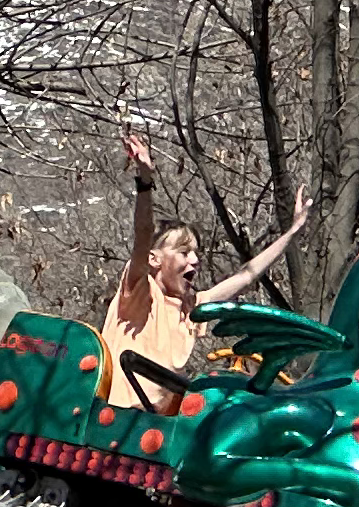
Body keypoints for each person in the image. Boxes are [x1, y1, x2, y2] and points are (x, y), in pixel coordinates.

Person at [102, 135, 309, 409]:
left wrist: (292, 232)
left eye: (196, 253)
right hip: (116, 420)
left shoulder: (193, 305)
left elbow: (247, 275)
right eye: (184, 252)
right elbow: (143, 233)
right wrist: (145, 179)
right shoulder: (140, 290)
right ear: (154, 259)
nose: (195, 260)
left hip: (157, 431)